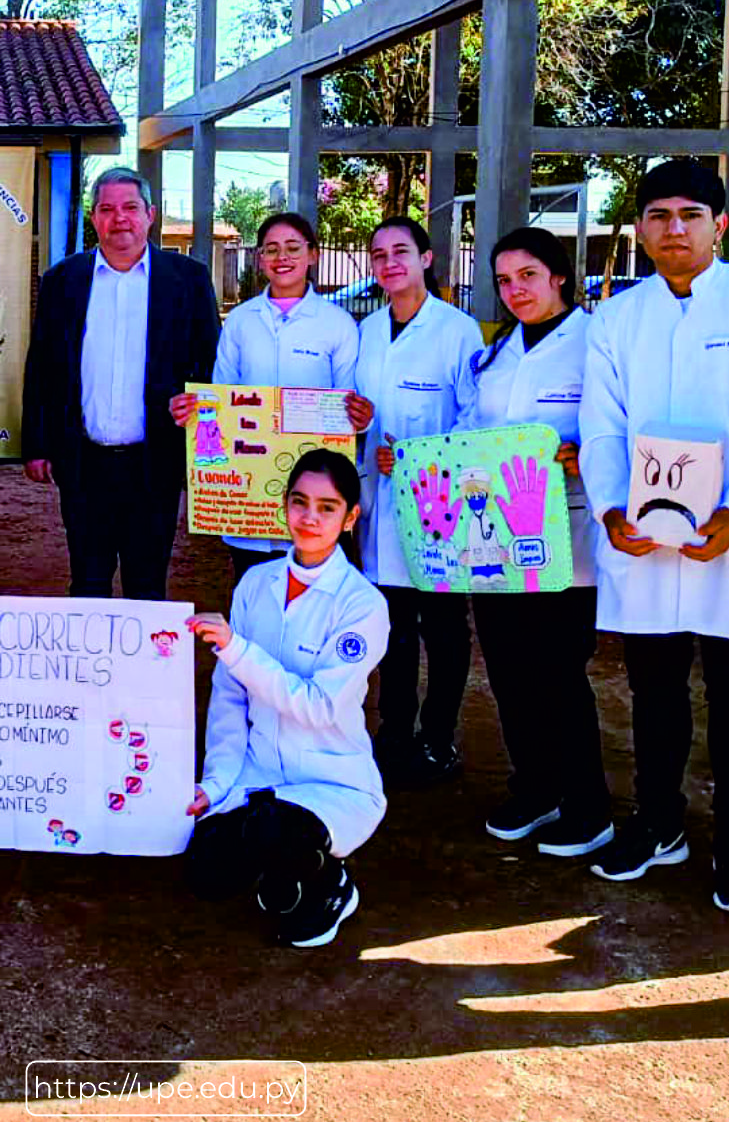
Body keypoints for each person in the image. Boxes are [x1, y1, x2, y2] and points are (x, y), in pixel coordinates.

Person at [579, 159, 729, 910]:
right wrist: (613, 508)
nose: (672, 229)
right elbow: (602, 422)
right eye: (657, 215)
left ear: (720, 225)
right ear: (639, 228)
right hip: (644, 538)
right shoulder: (617, 316)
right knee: (652, 688)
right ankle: (657, 822)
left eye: (688, 214)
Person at [185, 449, 389, 948]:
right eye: (299, 502)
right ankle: (283, 865)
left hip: (330, 780)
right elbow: (229, 699)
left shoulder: (363, 604)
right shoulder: (256, 584)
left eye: (327, 507)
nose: (310, 518)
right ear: (284, 506)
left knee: (276, 831)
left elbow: (319, 706)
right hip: (258, 774)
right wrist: (216, 783)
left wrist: (237, 649)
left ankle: (329, 885)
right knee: (206, 873)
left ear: (350, 518)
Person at [459, 227, 613, 857]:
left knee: (559, 675)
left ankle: (588, 806)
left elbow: (613, 425)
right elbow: (470, 430)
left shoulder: (593, 346)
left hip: (563, 541)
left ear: (558, 277)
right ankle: (536, 789)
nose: (515, 290)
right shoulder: (495, 356)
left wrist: (589, 454)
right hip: (492, 538)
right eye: (503, 280)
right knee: (509, 671)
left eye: (528, 275)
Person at [22, 166, 220, 599]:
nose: (120, 219)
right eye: (107, 209)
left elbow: (211, 366)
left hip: (156, 463)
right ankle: (93, 670)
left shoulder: (187, 280)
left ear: (151, 214)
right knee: (88, 581)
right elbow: (42, 365)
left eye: (130, 207)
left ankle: (147, 669)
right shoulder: (62, 281)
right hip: (83, 464)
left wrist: (200, 432)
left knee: (147, 584)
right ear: (94, 218)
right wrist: (36, 444)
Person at [353, 216, 483, 786]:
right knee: (394, 629)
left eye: (401, 252)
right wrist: (359, 425)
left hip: (440, 505)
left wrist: (416, 457)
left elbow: (475, 420)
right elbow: (356, 411)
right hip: (379, 501)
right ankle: (395, 732)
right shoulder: (366, 331)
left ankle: (438, 736)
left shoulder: (458, 331)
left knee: (447, 630)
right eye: (378, 255)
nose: (389, 264)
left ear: (427, 259)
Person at [169, 211, 364, 584]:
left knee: (313, 595)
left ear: (313, 255)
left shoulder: (337, 324)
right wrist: (196, 410)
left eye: (293, 248)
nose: (282, 258)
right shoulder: (241, 321)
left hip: (315, 490)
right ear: (259, 258)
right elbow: (221, 398)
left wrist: (359, 414)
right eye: (271, 250)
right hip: (249, 497)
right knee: (253, 589)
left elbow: (348, 402)